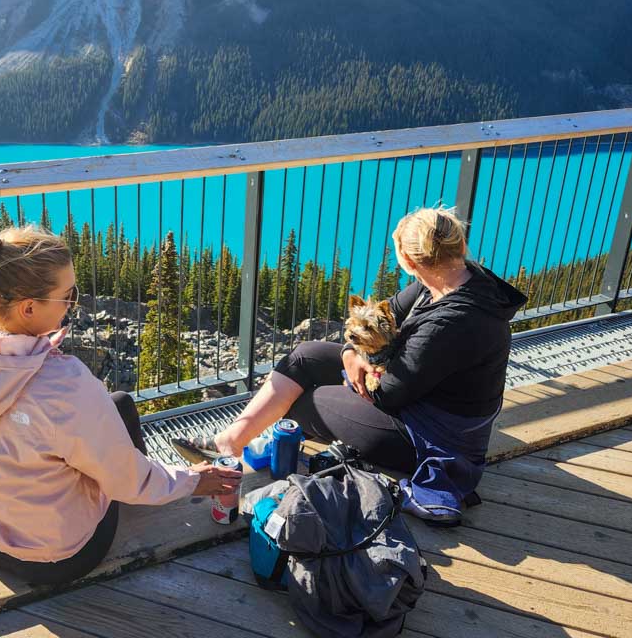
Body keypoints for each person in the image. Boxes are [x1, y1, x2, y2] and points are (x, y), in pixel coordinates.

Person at [0, 219, 241, 585]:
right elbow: (125, 480)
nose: (73, 306)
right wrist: (191, 481)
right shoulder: (64, 385)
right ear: (28, 308)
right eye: (68, 296)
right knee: (118, 413)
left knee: (115, 404)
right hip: (59, 556)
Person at [195, 206, 526, 525]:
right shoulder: (446, 280)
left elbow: (388, 394)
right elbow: (389, 316)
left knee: (306, 402)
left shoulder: (451, 321)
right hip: (415, 398)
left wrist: (354, 369)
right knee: (305, 355)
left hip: (431, 438)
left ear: (409, 260)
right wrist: (349, 356)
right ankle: (232, 441)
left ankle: (280, 451)